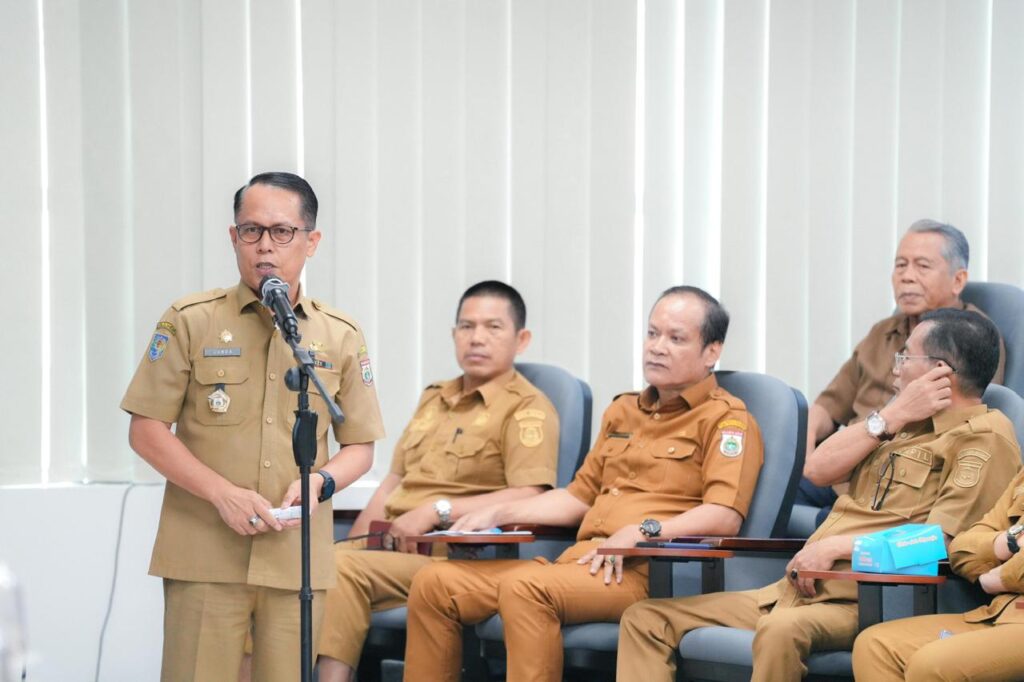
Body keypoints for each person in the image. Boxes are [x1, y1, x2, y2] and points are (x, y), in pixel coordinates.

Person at [616, 308, 1020, 682]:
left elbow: (939, 543)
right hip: (795, 589)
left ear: (939, 372)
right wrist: (891, 416)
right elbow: (817, 470)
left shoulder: (983, 437)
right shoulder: (900, 422)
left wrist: (836, 548)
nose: (895, 367)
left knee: (780, 630)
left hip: (869, 599)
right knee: (645, 619)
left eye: (906, 356)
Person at [402, 286, 765, 682]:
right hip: (580, 563)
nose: (657, 347)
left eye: (676, 338)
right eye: (652, 333)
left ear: (711, 352)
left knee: (526, 588)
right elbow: (578, 497)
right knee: (435, 582)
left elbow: (724, 516)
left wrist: (644, 531)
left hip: (647, 571)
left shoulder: (727, 420)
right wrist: (497, 512)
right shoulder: (623, 410)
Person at [120, 172, 386, 682]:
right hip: (205, 554)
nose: (265, 246)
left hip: (295, 561)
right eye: (251, 231)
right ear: (234, 237)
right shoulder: (190, 319)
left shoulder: (339, 334)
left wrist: (319, 482)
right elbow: (146, 430)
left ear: (311, 241)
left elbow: (359, 446)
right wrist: (222, 494)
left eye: (282, 232)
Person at [315, 281, 559, 682]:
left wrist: (436, 511)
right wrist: (355, 543)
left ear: (522, 339)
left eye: (493, 327)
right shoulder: (435, 398)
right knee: (305, 565)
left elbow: (530, 493)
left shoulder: (527, 407)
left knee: (340, 568)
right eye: (467, 326)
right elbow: (393, 482)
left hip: (453, 557)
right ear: (453, 334)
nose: (476, 338)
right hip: (392, 551)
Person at [798, 219, 1006, 519]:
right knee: (770, 491)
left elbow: (955, 416)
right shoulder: (881, 332)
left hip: (895, 478)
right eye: (900, 265)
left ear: (958, 280)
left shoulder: (972, 341)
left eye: (922, 266)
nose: (907, 277)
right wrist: (805, 446)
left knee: (832, 523)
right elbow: (827, 408)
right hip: (845, 462)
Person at [852, 466, 1024, 681]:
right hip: (999, 613)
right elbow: (961, 551)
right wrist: (1011, 540)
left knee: (930, 664)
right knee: (875, 645)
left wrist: (999, 578)